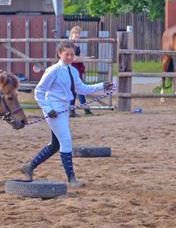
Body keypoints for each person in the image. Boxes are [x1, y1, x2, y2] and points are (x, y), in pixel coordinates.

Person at [20, 41, 113, 187]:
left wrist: (102, 86)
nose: (70, 57)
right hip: (54, 111)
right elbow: (39, 91)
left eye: (72, 54)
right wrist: (48, 108)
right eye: (67, 54)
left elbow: (82, 89)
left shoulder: (73, 71)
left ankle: (29, 166)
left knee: (55, 144)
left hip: (63, 110)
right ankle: (71, 178)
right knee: (66, 140)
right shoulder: (53, 71)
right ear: (59, 54)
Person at [68, 26, 93, 117]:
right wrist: (85, 59)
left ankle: (79, 110)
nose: (77, 35)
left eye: (78, 33)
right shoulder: (70, 44)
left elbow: (78, 56)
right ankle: (75, 110)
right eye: (75, 33)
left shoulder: (76, 44)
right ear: (72, 34)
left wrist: (87, 58)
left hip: (77, 68)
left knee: (78, 88)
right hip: (71, 68)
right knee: (75, 89)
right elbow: (73, 58)